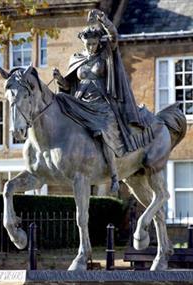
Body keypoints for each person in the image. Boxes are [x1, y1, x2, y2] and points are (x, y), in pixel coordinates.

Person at [53, 9, 144, 193]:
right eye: (88, 44)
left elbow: (113, 36)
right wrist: (60, 79)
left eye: (94, 44)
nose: (91, 47)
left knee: (104, 133)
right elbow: (69, 85)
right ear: (82, 42)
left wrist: (103, 20)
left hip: (102, 105)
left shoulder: (105, 54)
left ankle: (114, 176)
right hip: (80, 103)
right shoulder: (76, 58)